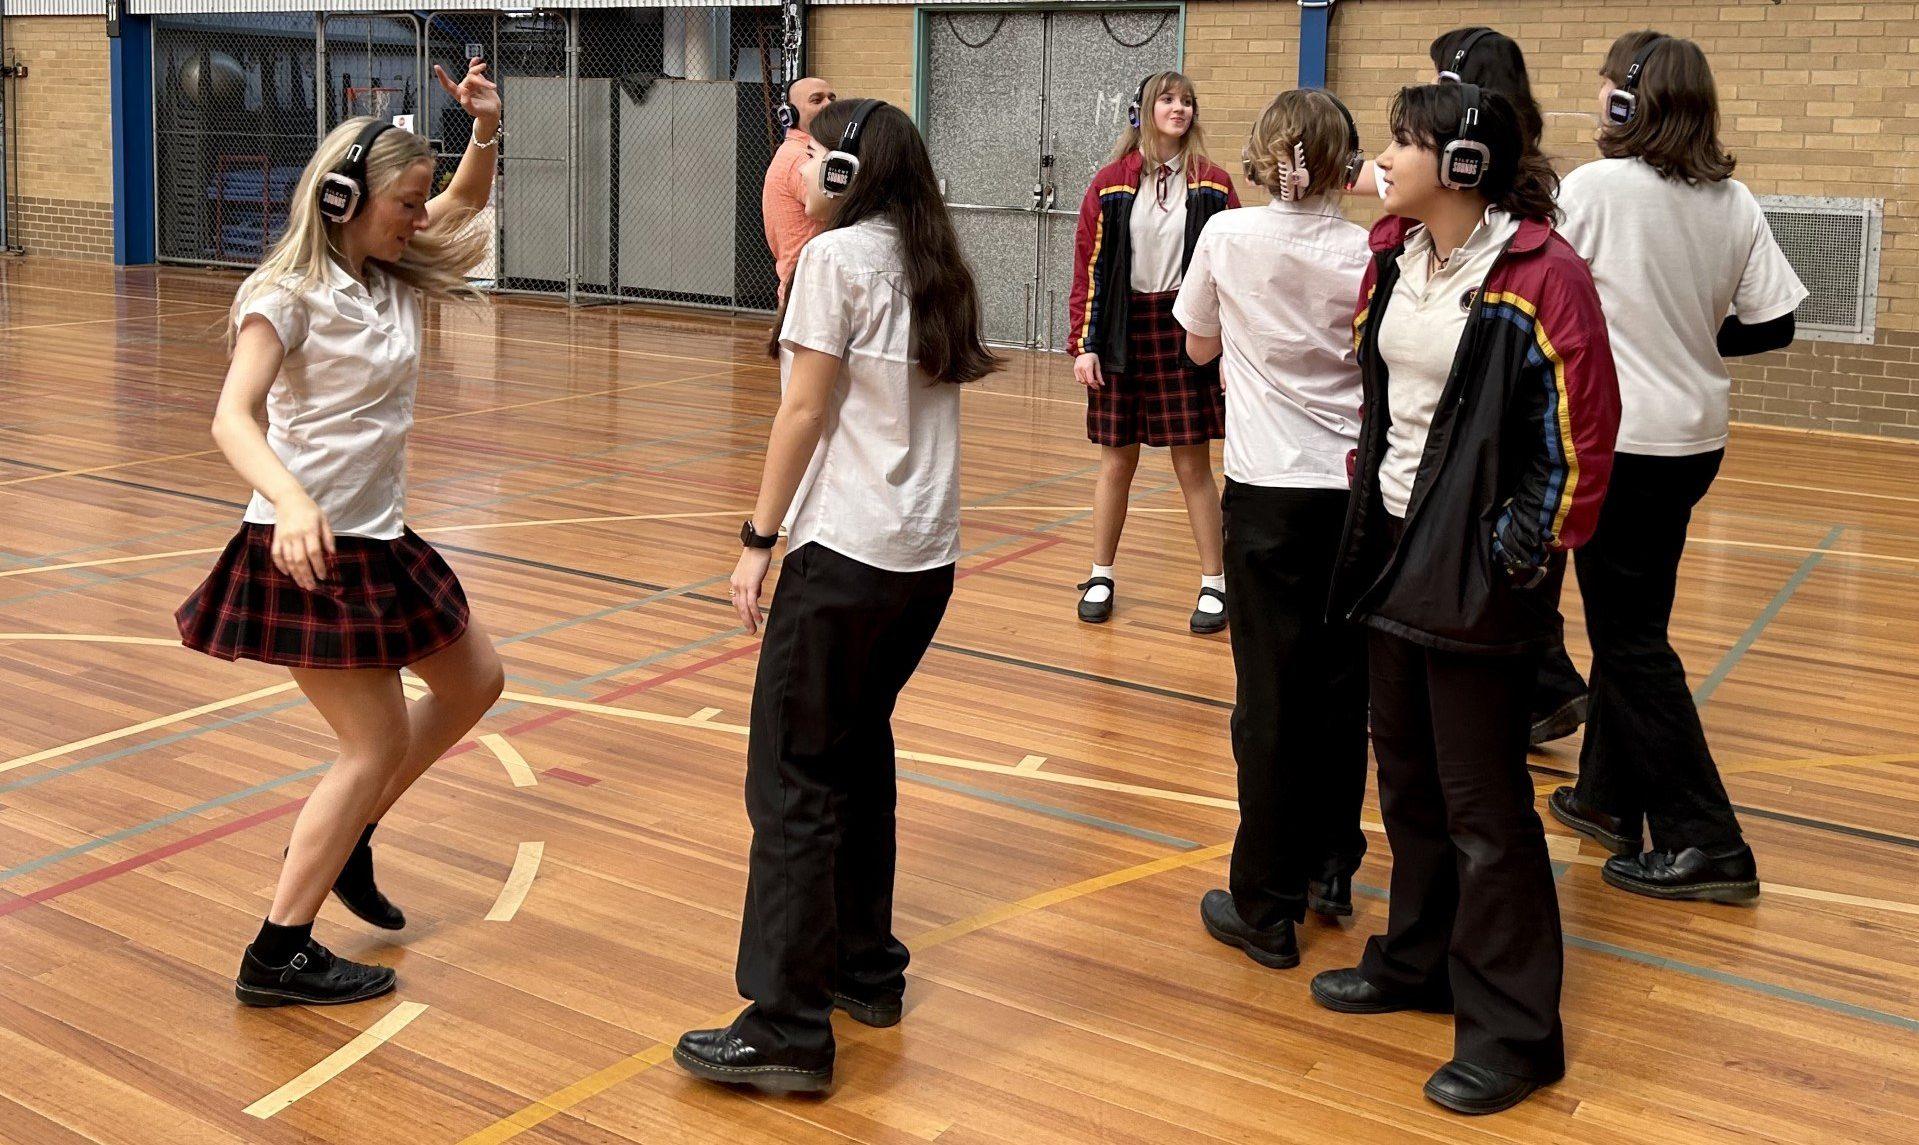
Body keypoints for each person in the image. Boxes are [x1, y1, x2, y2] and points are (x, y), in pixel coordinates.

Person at [674, 98, 1001, 1094]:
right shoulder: (931, 256)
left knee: (793, 780)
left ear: (847, 170)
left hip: (844, 554)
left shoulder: (836, 260)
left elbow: (803, 409)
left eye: (817, 159)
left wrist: (754, 538)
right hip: (921, 563)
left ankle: (784, 1022)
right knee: (857, 754)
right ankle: (865, 969)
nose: (803, 171)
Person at [1314, 82, 1619, 1115]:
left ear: (1459, 165)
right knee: (1403, 778)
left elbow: (1577, 445)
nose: (1381, 157)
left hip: (1479, 573)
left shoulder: (1542, 274)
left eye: (1402, 141)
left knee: (1484, 805)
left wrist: (1512, 557)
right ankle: (1418, 959)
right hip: (1391, 547)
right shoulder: (1392, 255)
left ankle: (1515, 1029)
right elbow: (1383, 397)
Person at [175, 61, 507, 1007]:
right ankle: (277, 952)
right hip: (306, 551)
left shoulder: (383, 267)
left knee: (475, 681)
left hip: (379, 536)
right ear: (341, 199)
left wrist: (484, 130)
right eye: (405, 202)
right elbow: (232, 417)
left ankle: (348, 833)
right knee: (369, 745)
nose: (422, 215)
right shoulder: (286, 293)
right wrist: (291, 500)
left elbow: (460, 199)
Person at [1547, 32, 1805, 904]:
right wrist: (1690, 333)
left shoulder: (1592, 189)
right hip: (1693, 440)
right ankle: (1605, 799)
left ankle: (1708, 840)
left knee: (1630, 641)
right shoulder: (1729, 199)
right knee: (1635, 622)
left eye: (1603, 88)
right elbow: (1773, 325)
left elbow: (1542, 293)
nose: (1594, 101)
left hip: (1620, 442)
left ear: (1631, 100)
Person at [1173, 89, 1371, 968]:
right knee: (1340, 689)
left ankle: (1264, 900)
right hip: (1355, 497)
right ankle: (1332, 866)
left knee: (1269, 700)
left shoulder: (1226, 235)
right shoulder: (1372, 249)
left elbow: (1197, 347)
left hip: (1266, 493)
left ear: (1263, 156)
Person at [1065, 71, 1240, 634]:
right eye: (1168, 99)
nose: (1180, 108)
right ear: (1143, 110)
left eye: (1187, 101)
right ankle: (1100, 573)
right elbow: (1088, 270)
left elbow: (1233, 270)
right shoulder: (1110, 184)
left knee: (1193, 461)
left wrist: (1228, 347)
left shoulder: (1213, 184)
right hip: (1122, 330)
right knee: (1117, 458)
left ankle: (1215, 584)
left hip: (1186, 331)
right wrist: (1084, 344)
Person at [762, 76, 837, 301]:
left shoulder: (812, 152)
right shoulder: (802, 158)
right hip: (808, 290)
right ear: (789, 115)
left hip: (810, 285)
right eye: (817, 100)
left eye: (832, 98)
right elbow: (832, 210)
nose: (829, 105)